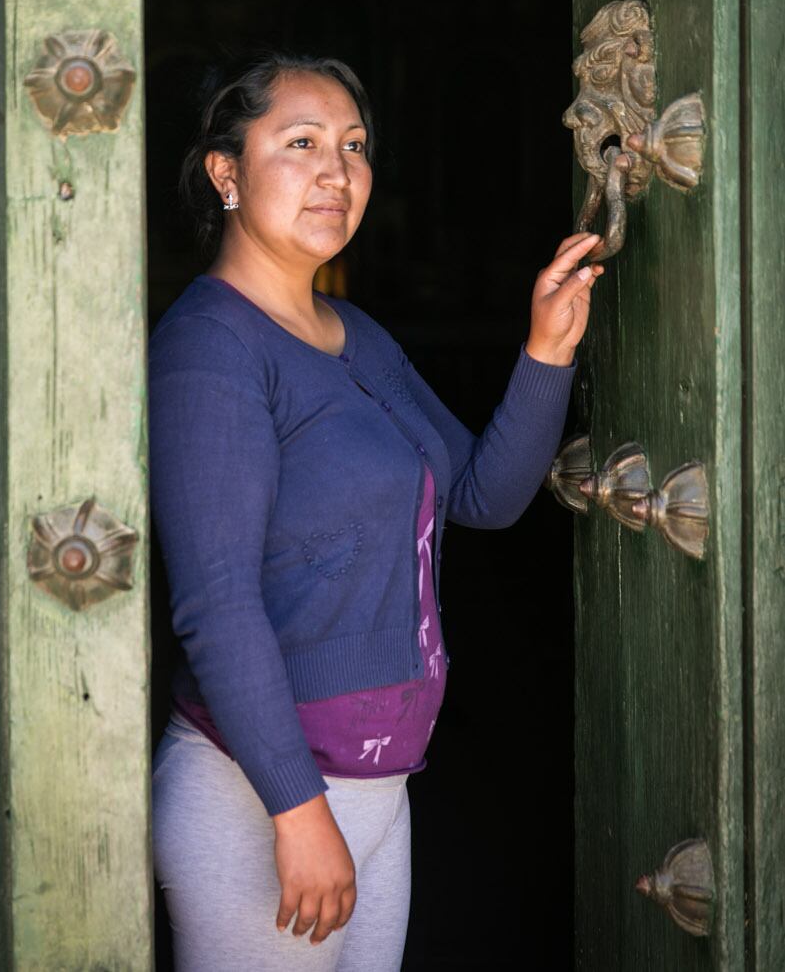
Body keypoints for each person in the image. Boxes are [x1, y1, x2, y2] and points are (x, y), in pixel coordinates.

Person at [148, 52, 603, 971]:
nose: (337, 171)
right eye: (301, 142)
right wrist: (296, 808)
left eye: (354, 146)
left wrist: (547, 350)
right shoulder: (209, 347)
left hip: (376, 785)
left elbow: (482, 495)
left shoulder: (355, 334)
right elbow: (218, 601)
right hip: (263, 796)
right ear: (225, 172)